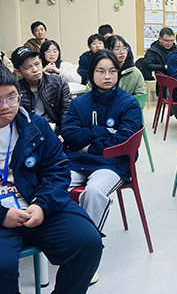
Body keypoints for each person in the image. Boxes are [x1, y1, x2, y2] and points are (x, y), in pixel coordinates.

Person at [0, 64, 103, 294]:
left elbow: (58, 169)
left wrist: (42, 205)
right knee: (2, 268)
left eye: (11, 97)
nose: (6, 106)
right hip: (2, 216)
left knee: (88, 243)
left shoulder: (35, 126)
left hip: (37, 204)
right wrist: (2, 215)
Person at [62, 49, 142, 234]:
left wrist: (87, 147)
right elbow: (69, 134)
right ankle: (66, 235)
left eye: (112, 71)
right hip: (78, 162)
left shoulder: (129, 103)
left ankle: (88, 241)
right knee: (54, 184)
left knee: (94, 192)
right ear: (91, 74)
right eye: (101, 71)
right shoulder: (79, 103)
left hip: (112, 164)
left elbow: (122, 141)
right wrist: (103, 131)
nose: (107, 76)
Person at [11, 46, 70, 135]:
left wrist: (64, 134)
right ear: (18, 71)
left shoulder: (59, 82)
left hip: (55, 131)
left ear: (41, 62)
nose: (35, 70)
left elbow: (66, 112)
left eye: (37, 64)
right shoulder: (15, 90)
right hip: (30, 134)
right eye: (28, 67)